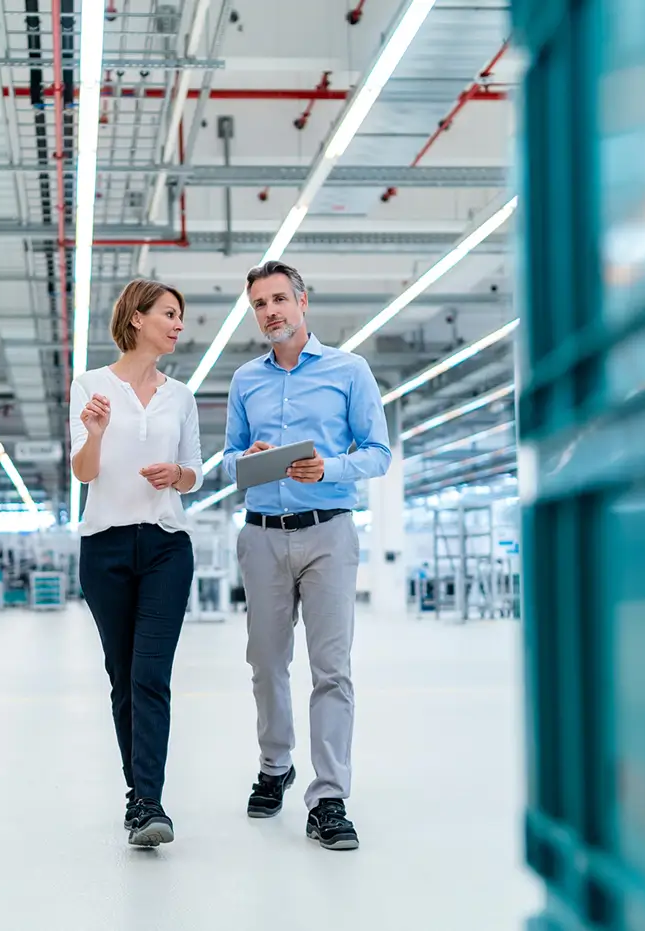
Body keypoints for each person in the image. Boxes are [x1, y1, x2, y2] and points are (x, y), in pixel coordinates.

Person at [221, 260, 392, 851]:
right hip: (263, 533)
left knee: (331, 669)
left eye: (277, 300)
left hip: (329, 531)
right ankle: (275, 765)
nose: (269, 311)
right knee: (266, 662)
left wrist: (330, 467)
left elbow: (378, 452)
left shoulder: (350, 370)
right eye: (259, 304)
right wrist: (251, 457)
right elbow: (227, 463)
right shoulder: (246, 380)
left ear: (302, 302)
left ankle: (329, 798)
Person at [69, 277, 203, 847]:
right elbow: (83, 473)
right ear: (137, 318)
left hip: (167, 546)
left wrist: (177, 475)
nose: (178, 324)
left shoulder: (181, 396)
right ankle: (138, 798)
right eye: (169, 314)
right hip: (105, 547)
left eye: (180, 315)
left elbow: (195, 472)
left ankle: (149, 803)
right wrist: (95, 433)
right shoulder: (90, 386)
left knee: (150, 673)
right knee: (122, 678)